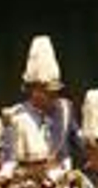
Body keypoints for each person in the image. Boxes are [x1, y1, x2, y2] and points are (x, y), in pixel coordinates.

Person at [4, 35, 79, 168]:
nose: (54, 97)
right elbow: (10, 158)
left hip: (64, 177)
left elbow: (79, 142)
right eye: (49, 93)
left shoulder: (65, 108)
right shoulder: (15, 116)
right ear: (34, 90)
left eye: (56, 93)